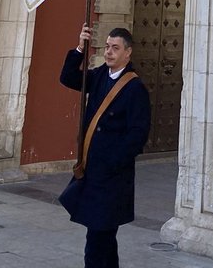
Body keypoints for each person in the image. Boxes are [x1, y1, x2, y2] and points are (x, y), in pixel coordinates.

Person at [59, 24, 151, 268]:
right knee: (102, 235)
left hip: (112, 177)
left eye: (115, 48)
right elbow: (68, 78)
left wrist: (113, 161)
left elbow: (138, 134)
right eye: (107, 47)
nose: (109, 52)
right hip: (92, 172)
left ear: (128, 53)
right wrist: (80, 47)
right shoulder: (100, 75)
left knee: (98, 236)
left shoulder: (135, 89)